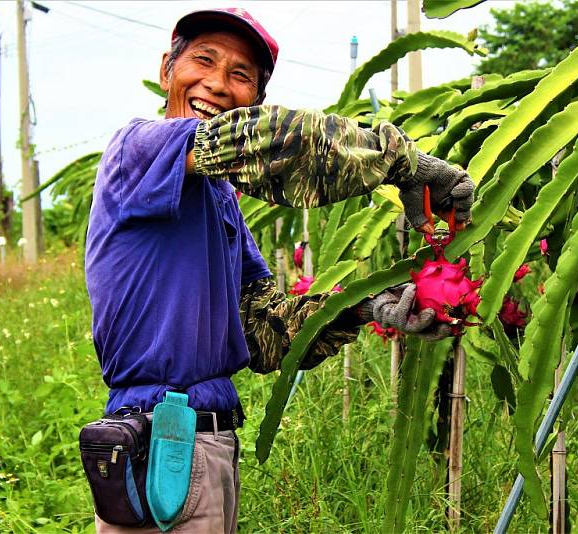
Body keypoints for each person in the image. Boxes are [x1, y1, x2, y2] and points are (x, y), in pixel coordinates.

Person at [85, 7, 474, 533]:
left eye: (241, 75)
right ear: (166, 70)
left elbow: (265, 331)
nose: (218, 84)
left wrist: (367, 306)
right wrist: (404, 163)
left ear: (255, 97)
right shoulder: (139, 150)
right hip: (159, 444)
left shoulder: (220, 201)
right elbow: (276, 143)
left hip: (209, 446)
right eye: (203, 60)